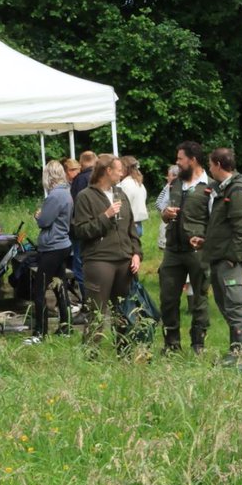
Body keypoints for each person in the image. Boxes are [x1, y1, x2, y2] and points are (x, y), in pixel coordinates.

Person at [190, 147, 242, 366]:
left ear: (218, 165)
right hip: (219, 255)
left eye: (210, 164)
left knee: (235, 305)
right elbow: (224, 227)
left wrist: (232, 259)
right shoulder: (224, 189)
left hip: (230, 259)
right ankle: (235, 351)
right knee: (226, 304)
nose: (209, 169)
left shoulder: (237, 191)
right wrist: (206, 242)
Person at [71, 154, 142, 357]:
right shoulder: (86, 196)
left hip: (124, 260)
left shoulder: (120, 193)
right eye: (118, 169)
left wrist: (136, 253)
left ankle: (125, 351)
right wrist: (106, 216)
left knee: (124, 310)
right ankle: (91, 354)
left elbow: (131, 227)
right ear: (107, 171)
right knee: (97, 312)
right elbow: (81, 231)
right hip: (99, 260)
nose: (122, 173)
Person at [157, 142, 211, 354]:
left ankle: (198, 344)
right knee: (168, 298)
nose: (177, 163)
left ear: (193, 160)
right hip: (172, 250)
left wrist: (206, 240)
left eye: (180, 159)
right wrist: (165, 214)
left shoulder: (210, 187)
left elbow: (216, 220)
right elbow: (161, 210)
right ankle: (171, 344)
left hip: (198, 251)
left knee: (199, 298)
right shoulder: (173, 184)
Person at [28, 160, 73, 343]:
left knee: (39, 289)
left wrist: (38, 215)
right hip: (63, 244)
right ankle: (66, 326)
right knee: (60, 287)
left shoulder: (54, 196)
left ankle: (40, 332)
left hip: (52, 246)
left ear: (48, 176)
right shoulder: (67, 193)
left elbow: (44, 221)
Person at [69, 150, 97, 300]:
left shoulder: (80, 180)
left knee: (80, 265)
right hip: (99, 227)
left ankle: (87, 301)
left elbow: (75, 206)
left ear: (81, 162)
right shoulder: (101, 177)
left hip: (82, 229)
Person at [116, 156, 149, 239]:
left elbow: (121, 206)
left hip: (128, 225)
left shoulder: (124, 185)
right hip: (138, 225)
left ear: (125, 169)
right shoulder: (140, 184)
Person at [154, 164, 180, 251]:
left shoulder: (172, 187)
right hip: (167, 218)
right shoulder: (169, 186)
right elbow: (158, 203)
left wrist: (165, 211)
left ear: (175, 176)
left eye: (169, 175)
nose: (167, 178)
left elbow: (158, 203)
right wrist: (165, 211)